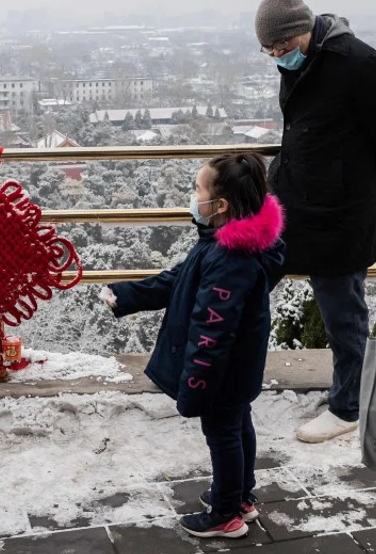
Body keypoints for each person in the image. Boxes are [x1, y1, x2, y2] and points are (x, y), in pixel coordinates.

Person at [254, 0, 376, 443]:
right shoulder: (305, 59)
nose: (277, 57)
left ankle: (347, 408)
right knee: (246, 278)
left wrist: (369, 173)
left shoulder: (359, 63)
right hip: (298, 202)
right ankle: (344, 389)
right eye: (269, 51)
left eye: (281, 47)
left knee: (343, 311)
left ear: (301, 30)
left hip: (342, 209)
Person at [101, 154, 285, 539]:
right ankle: (240, 496)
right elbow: (180, 280)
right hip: (238, 369)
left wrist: (195, 385)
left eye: (197, 190)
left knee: (223, 434)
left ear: (220, 205)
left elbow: (211, 333)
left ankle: (225, 514)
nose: (192, 196)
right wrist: (127, 295)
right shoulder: (225, 244)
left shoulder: (230, 258)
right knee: (237, 426)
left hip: (220, 372)